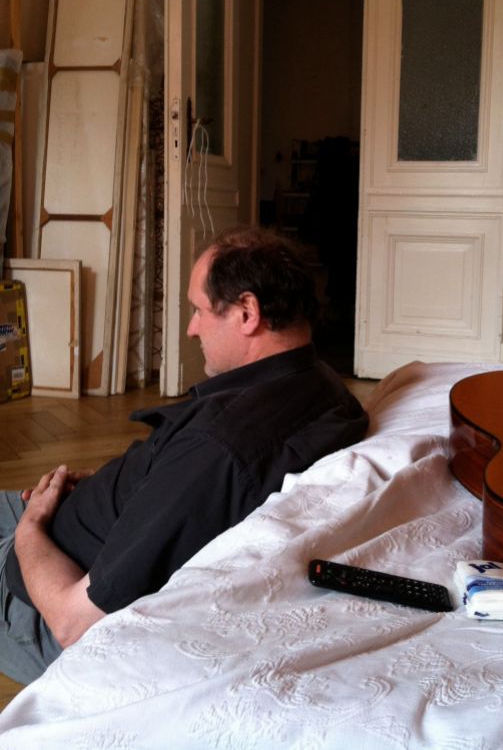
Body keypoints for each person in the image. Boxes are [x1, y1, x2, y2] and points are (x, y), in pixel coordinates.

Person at [0, 226, 369, 684]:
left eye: (198, 310)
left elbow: (73, 622)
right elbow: (185, 485)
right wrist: (126, 486)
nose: (192, 328)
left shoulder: (218, 451)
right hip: (85, 519)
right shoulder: (322, 384)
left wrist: (28, 528)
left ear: (247, 312)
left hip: (32, 586)